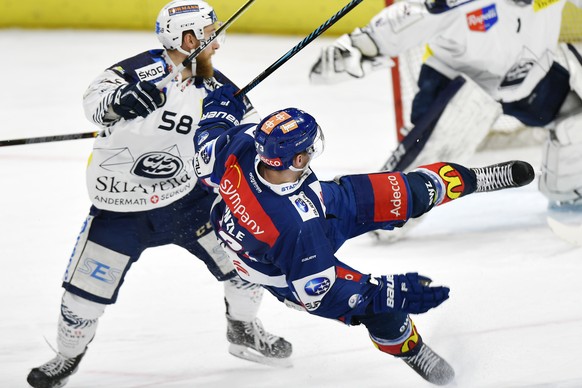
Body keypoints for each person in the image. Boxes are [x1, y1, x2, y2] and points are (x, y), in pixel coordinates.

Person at [191, 85, 535, 385]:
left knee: (408, 190)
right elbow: (319, 295)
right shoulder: (295, 230)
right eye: (309, 149)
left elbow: (207, 138)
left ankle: (473, 179)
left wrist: (218, 103)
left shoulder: (239, 149)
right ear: (296, 159)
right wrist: (377, 296)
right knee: (381, 309)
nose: (313, 152)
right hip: (288, 270)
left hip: (318, 206)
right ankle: (411, 349)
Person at [26, 2, 292, 387]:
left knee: (247, 261)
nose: (217, 44)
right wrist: (118, 102)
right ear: (187, 39)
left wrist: (247, 137)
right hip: (121, 207)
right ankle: (66, 358)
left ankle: (243, 328)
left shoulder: (218, 88)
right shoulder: (140, 70)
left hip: (188, 202)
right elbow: (95, 100)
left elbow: (248, 131)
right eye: (210, 34)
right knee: (82, 300)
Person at [309, 0, 582, 242]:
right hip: (457, 84)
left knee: (574, 118)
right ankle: (361, 216)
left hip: (529, 74)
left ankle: (568, 192)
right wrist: (358, 47)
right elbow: (410, 16)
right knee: (403, 195)